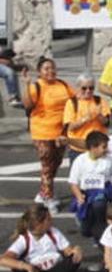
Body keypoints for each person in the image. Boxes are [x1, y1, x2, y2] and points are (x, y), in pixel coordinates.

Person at [20, 57, 75, 214]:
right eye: (46, 69)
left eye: (52, 68)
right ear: (39, 71)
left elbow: (75, 99)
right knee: (46, 166)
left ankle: (43, 193)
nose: (50, 71)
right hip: (42, 132)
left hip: (60, 133)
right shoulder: (36, 86)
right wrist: (25, 84)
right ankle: (48, 198)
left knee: (54, 165)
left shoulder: (62, 84)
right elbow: (27, 105)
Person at [1, 204, 82, 272]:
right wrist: (28, 267)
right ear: (39, 224)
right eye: (48, 219)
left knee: (74, 260)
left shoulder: (54, 233)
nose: (51, 220)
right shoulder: (25, 239)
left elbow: (68, 251)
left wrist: (76, 250)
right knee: (15, 265)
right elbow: (3, 259)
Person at [67, 132, 112, 241]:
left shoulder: (109, 160)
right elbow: (73, 182)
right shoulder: (80, 160)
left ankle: (101, 232)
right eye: (104, 147)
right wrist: (79, 197)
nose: (106, 149)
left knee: (99, 205)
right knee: (85, 230)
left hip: (103, 192)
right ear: (93, 147)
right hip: (86, 193)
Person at [62, 73, 110, 156]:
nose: (88, 91)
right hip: (78, 148)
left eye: (91, 88)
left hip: (97, 148)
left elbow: (107, 123)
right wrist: (85, 119)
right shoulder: (72, 103)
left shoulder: (100, 101)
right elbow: (70, 127)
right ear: (78, 87)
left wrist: (98, 116)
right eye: (84, 88)